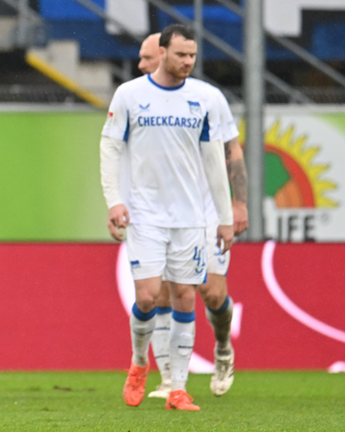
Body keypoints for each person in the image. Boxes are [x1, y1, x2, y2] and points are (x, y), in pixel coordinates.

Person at [100, 24, 235, 411]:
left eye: (192, 55)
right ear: (162, 53)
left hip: (191, 218)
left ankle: (177, 387)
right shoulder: (130, 95)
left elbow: (214, 162)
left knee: (185, 296)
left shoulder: (203, 99)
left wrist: (224, 217)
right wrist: (114, 201)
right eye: (181, 55)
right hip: (145, 215)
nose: (188, 62)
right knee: (146, 297)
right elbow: (109, 147)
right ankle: (140, 361)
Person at [136, 33, 249, 400]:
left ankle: (223, 349)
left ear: (161, 56)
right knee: (166, 293)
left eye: (146, 57)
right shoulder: (136, 100)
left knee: (212, 293)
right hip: (162, 216)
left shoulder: (207, 98)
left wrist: (238, 204)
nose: (141, 65)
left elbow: (231, 150)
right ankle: (170, 379)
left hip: (205, 212)